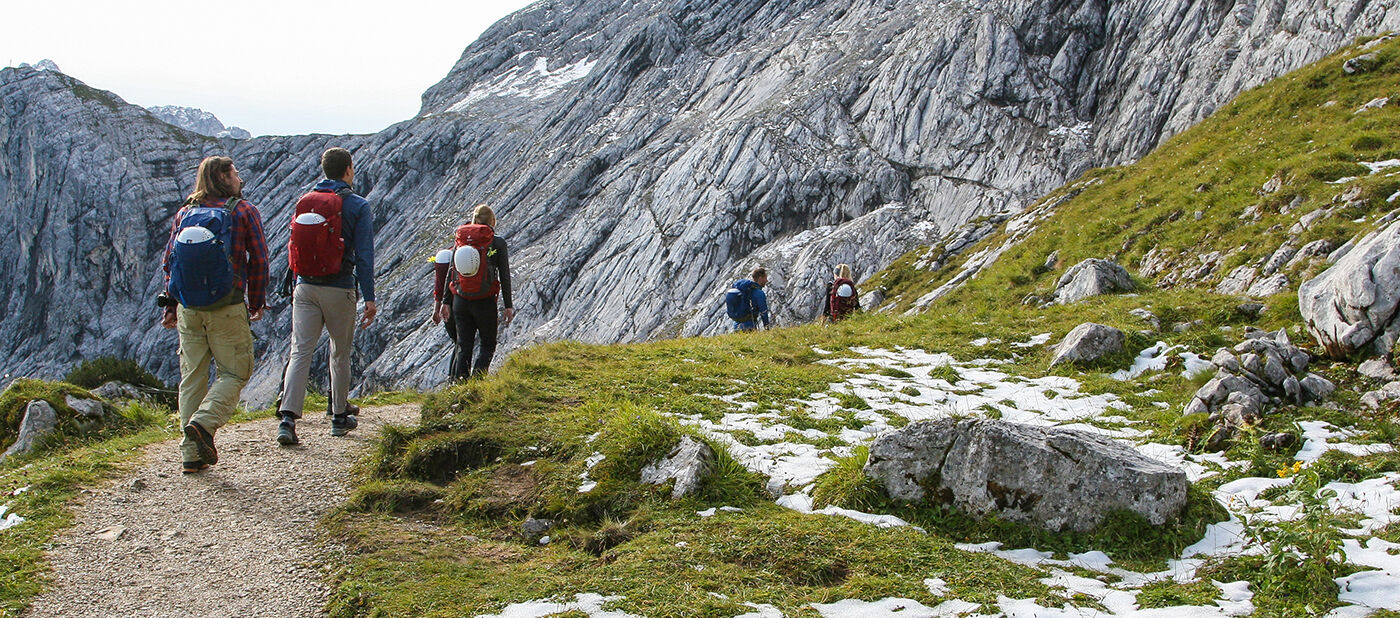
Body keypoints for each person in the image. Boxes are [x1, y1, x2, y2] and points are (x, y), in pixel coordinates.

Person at [159, 155, 269, 474]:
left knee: (192, 376)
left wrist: (170, 305)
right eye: (235, 173)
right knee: (235, 372)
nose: (239, 179)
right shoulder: (244, 210)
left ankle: (190, 455)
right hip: (227, 305)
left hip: (188, 309)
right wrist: (257, 300)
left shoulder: (184, 213)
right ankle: (204, 425)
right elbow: (259, 259)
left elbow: (170, 262)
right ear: (223, 177)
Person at [275, 147, 376, 445]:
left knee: (300, 351)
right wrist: (369, 297)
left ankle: (287, 419)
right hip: (339, 287)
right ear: (348, 170)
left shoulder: (306, 202)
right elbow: (365, 256)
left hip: (304, 287)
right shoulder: (358, 205)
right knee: (339, 352)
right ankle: (338, 417)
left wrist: (294, 281)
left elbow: (295, 245)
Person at [436, 204, 514, 379]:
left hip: (460, 300)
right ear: (492, 221)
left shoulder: (461, 240)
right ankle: (477, 381)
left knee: (464, 344)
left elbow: (451, 271)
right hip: (484, 301)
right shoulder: (497, 242)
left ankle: (460, 384)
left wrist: (445, 302)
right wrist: (508, 305)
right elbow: (504, 275)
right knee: (487, 343)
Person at [726, 267, 771, 332]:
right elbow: (763, 312)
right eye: (765, 278)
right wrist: (767, 328)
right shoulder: (759, 293)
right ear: (760, 279)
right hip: (749, 325)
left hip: (736, 324)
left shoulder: (744, 290)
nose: (766, 280)